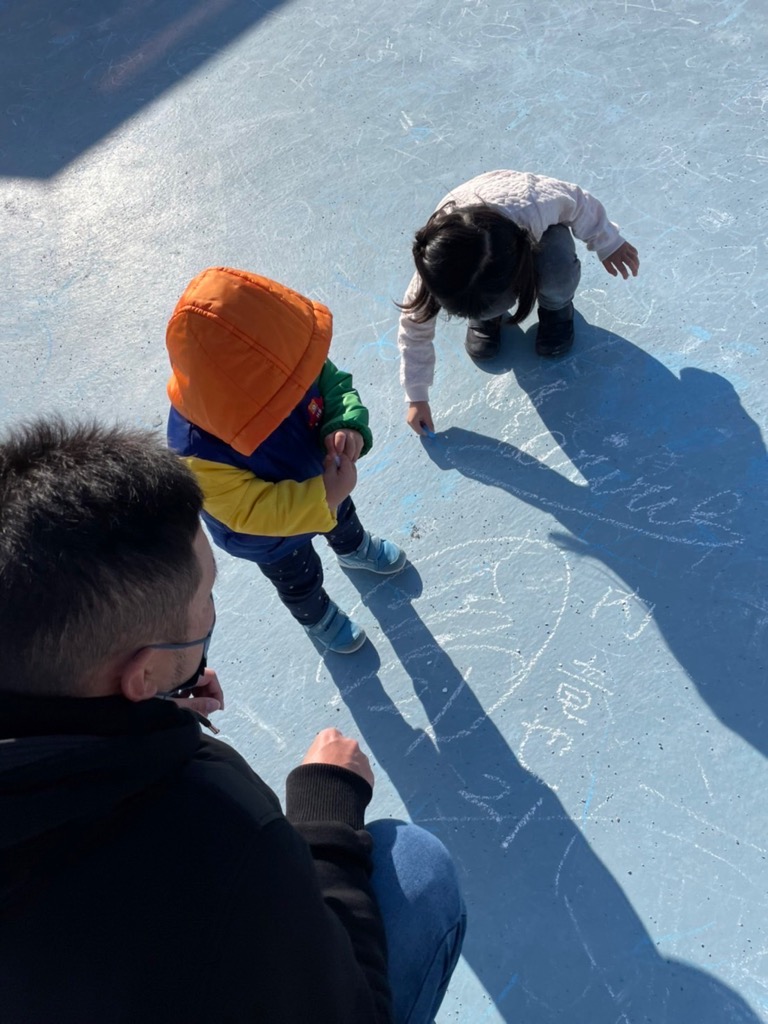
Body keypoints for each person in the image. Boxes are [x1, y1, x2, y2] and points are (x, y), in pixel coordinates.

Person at [0, 417, 465, 1024]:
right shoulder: (219, 822)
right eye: (208, 597)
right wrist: (327, 813)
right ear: (140, 675)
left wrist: (156, 703)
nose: (212, 609)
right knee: (417, 868)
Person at [166, 266, 406, 655]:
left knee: (343, 519)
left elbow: (333, 383)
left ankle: (353, 548)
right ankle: (317, 616)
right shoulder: (197, 451)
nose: (301, 380)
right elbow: (249, 511)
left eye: (301, 370)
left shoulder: (287, 356)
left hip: (325, 476)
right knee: (299, 579)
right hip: (273, 538)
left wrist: (346, 423)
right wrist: (322, 495)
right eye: (286, 389)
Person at [398, 169, 640, 434]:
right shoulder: (436, 268)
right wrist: (416, 396)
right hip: (483, 243)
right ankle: (485, 315)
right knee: (486, 297)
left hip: (533, 229)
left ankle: (556, 309)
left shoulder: (536, 204)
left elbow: (577, 201)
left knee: (557, 268)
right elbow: (413, 330)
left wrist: (608, 242)